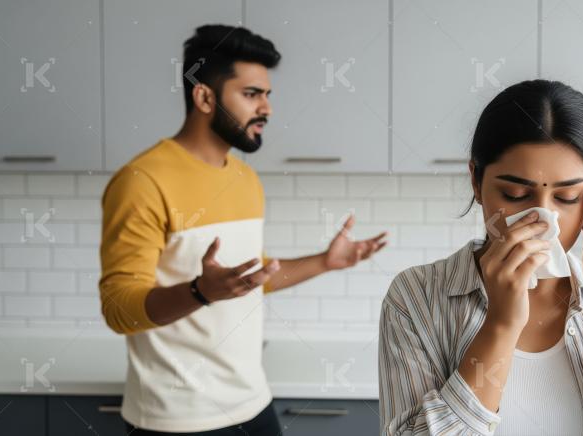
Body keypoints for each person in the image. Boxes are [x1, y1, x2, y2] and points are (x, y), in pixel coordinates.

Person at [99, 25, 387, 435]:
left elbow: (251, 279)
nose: (267, 109)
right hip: (176, 418)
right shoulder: (142, 181)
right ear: (204, 97)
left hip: (252, 404)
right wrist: (200, 291)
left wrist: (326, 262)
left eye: (268, 95)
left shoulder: (244, 179)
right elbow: (118, 308)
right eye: (252, 94)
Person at [378, 79, 583, 435]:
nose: (542, 220)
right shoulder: (417, 297)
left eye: (567, 198)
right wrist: (501, 324)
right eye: (515, 193)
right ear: (476, 181)